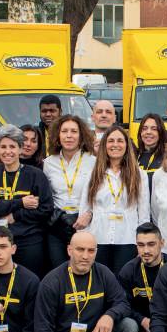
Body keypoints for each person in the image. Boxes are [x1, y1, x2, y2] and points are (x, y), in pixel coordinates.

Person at [74, 125, 150, 275]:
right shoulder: (93, 173)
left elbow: (144, 214)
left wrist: (142, 244)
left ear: (127, 145)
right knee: (99, 281)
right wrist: (84, 241)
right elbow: (85, 210)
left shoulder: (139, 174)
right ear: (104, 145)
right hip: (98, 239)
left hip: (127, 239)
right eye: (111, 141)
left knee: (122, 282)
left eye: (120, 141)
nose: (115, 145)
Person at [0, 125, 55, 276]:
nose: (7, 151)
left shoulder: (36, 175)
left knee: (30, 282)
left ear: (20, 149)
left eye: (12, 147)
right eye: (3, 147)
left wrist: (15, 215)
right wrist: (20, 203)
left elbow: (46, 209)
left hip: (30, 241)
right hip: (0, 243)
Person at [116, 223, 167, 332]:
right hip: (142, 325)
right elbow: (123, 305)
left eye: (151, 244)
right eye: (141, 245)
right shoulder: (128, 271)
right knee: (125, 322)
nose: (146, 250)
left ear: (162, 243)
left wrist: (158, 326)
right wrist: (143, 321)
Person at [43, 115, 97, 272]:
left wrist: (90, 213)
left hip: (84, 224)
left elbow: (99, 194)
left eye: (74, 131)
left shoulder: (93, 162)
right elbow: (46, 196)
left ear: (81, 136)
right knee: (59, 270)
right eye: (64, 131)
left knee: (83, 269)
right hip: (57, 225)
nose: (69, 136)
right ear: (57, 135)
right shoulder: (48, 163)